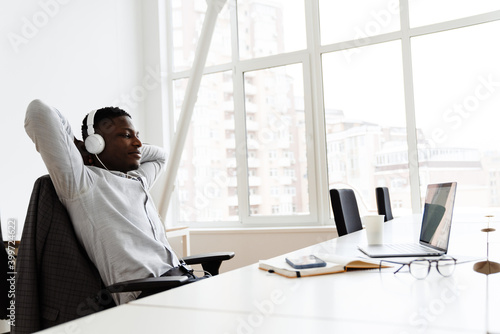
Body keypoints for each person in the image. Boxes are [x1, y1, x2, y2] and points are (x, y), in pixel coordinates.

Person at [25, 99, 200, 305]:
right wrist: (77, 145)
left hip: (183, 280)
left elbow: (161, 156)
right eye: (126, 136)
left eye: (137, 136)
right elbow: (38, 111)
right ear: (96, 143)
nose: (138, 143)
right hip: (151, 296)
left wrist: (123, 141)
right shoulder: (82, 183)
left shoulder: (137, 180)